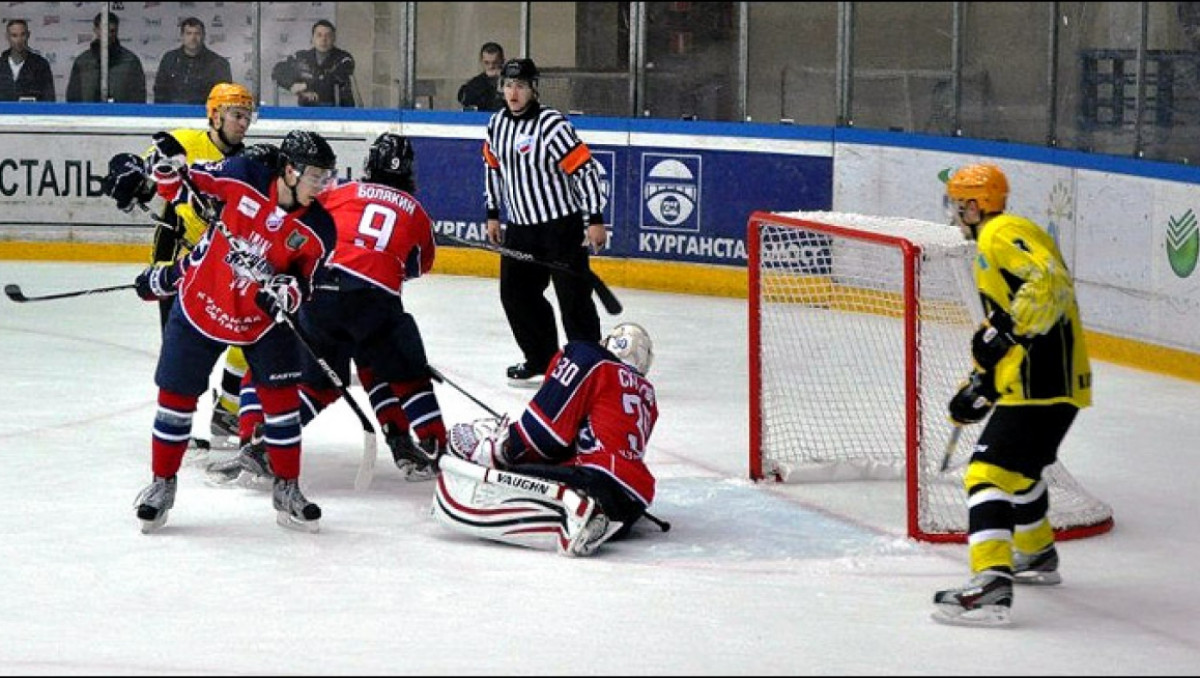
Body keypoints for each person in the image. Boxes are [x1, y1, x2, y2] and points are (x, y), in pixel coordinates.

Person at [116, 129, 340, 533]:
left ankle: (287, 488)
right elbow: (185, 186)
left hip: (262, 325)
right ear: (289, 170)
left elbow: (305, 283)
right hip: (203, 305)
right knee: (175, 399)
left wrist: (284, 293)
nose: (322, 186)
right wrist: (165, 168)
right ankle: (161, 485)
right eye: (316, 177)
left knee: (284, 408)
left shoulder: (321, 229)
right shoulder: (242, 176)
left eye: (328, 177)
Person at [207, 132, 448, 485]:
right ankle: (432, 446)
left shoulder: (341, 191)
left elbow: (306, 225)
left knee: (319, 382)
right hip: (373, 299)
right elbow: (415, 266)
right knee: (402, 370)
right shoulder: (417, 212)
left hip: (319, 289)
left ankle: (263, 442)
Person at [931, 164, 1092, 626]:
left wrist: (1004, 330)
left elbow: (1049, 284)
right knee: (1020, 475)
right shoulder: (994, 241)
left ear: (975, 204)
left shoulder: (1002, 231)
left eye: (959, 203)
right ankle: (1036, 553)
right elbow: (1016, 326)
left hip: (1043, 385)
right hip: (1044, 383)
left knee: (986, 473)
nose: (955, 213)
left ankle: (989, 586)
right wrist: (982, 384)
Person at [100, 82, 257, 450]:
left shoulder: (247, 164)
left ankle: (228, 409)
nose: (243, 123)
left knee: (250, 334)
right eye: (236, 115)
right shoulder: (183, 141)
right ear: (214, 115)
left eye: (247, 116)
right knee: (182, 355)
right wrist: (131, 178)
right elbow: (142, 171)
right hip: (176, 263)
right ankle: (177, 427)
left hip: (221, 267)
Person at [436, 322, 658, 557]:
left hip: (595, 481)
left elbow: (543, 436)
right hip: (633, 502)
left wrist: (502, 448)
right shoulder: (647, 395)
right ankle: (595, 512)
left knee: (493, 478)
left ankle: (581, 512)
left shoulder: (594, 361)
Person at [482, 57, 610, 387]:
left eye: (521, 86)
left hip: (560, 229)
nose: (514, 92)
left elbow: (586, 171)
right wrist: (493, 213)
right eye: (509, 85)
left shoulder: (552, 125)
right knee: (515, 295)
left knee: (573, 299)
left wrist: (594, 219)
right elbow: (493, 168)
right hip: (520, 228)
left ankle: (588, 366)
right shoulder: (496, 124)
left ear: (533, 89)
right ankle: (541, 359)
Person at [271, 20, 356, 107]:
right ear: (312, 39)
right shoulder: (302, 57)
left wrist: (305, 86)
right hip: (307, 113)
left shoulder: (344, 58)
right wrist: (292, 85)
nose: (323, 39)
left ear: (334, 39)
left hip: (340, 113)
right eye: (319, 35)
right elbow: (278, 70)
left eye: (328, 35)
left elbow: (331, 79)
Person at [65, 12, 146, 103]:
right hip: (87, 116)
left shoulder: (130, 62)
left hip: (120, 115)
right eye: (104, 30)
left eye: (112, 31)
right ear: (95, 30)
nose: (108, 35)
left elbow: (138, 98)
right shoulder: (82, 62)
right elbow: (73, 97)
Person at [153, 17, 232, 105]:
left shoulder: (218, 63)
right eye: (188, 33)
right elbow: (159, 91)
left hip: (205, 114)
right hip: (172, 114)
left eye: (197, 34)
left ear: (204, 36)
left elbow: (223, 97)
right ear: (182, 36)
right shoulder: (169, 59)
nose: (193, 38)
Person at [0, 19, 55, 101]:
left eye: (22, 35)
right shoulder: (1, 65)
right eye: (14, 35)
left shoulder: (40, 65)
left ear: (28, 35)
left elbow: (49, 98)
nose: (19, 40)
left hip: (32, 113)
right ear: (7, 37)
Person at [457, 42, 506, 112]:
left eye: (495, 63)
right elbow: (464, 98)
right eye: (487, 63)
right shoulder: (476, 82)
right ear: (481, 62)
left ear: (502, 61)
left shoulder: (511, 81)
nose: (491, 66)